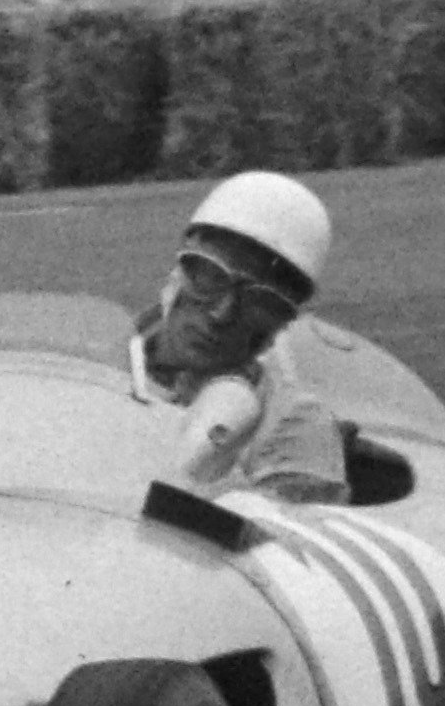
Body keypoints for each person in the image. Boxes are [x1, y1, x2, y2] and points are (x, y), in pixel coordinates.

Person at [134, 168, 348, 503]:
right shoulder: (96, 364)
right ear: (178, 272)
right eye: (209, 277)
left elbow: (287, 543)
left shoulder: (291, 423)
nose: (222, 313)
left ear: (278, 324)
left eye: (261, 303)